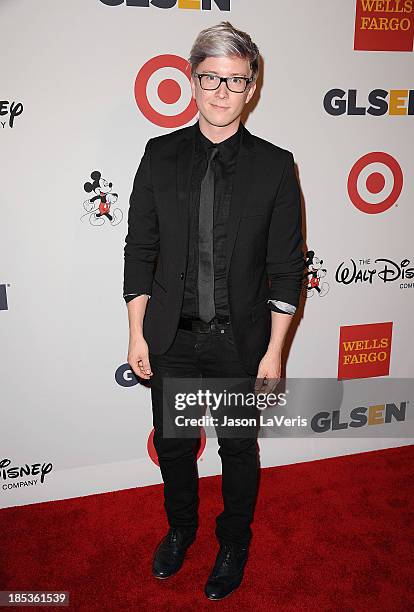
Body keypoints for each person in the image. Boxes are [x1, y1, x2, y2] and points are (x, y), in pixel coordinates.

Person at [123, 21, 304, 600]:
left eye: (235, 81)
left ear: (251, 88)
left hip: (237, 343)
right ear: (192, 80)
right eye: (210, 78)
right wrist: (136, 335)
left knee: (236, 448)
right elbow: (140, 252)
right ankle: (181, 530)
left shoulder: (276, 166)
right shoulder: (158, 155)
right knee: (175, 445)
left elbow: (286, 267)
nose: (222, 92)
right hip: (171, 337)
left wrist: (274, 353)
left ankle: (234, 540)